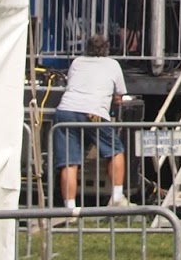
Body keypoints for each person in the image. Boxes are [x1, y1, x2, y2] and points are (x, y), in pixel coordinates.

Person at [55, 34, 129, 213]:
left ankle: (70, 209)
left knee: (69, 161)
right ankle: (117, 199)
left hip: (66, 109)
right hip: (93, 112)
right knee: (115, 150)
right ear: (107, 49)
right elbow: (119, 95)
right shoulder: (112, 65)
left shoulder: (77, 62)